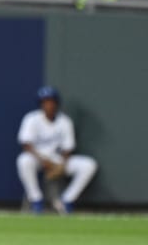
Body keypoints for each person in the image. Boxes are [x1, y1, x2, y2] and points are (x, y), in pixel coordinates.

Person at [16, 86, 97, 215]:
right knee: (24, 160)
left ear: (56, 103)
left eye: (51, 101)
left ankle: (66, 200)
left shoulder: (64, 121)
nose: (48, 105)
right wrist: (43, 161)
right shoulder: (32, 119)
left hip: (57, 159)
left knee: (88, 165)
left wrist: (61, 165)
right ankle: (36, 200)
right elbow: (26, 144)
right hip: (37, 157)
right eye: (45, 101)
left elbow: (68, 148)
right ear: (41, 104)